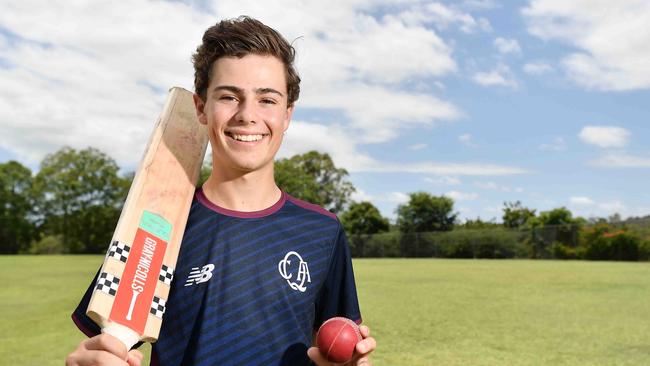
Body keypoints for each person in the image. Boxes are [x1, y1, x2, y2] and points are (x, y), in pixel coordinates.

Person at [66, 16, 376, 366]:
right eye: (229, 96)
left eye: (267, 100)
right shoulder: (157, 224)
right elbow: (113, 345)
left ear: (287, 114)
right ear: (201, 108)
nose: (247, 115)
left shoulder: (322, 230)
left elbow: (333, 343)